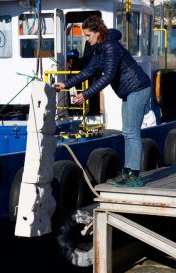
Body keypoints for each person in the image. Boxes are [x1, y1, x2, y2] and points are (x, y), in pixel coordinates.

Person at [54, 15, 151, 187]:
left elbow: (108, 77)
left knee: (132, 132)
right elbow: (88, 71)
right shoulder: (100, 48)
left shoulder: (111, 47)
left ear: (98, 33)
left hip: (138, 88)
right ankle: (128, 172)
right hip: (129, 91)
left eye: (88, 35)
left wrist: (85, 95)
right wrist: (65, 84)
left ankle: (134, 175)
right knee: (127, 132)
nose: (86, 39)